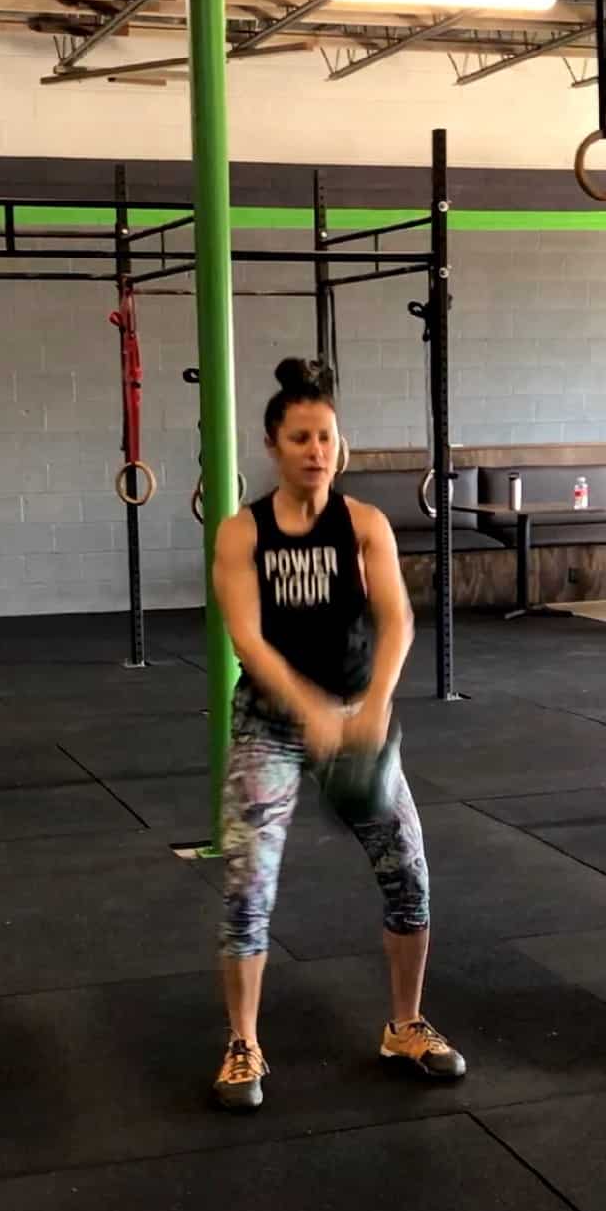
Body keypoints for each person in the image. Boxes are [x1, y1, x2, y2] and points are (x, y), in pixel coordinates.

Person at [210, 357, 466, 1110]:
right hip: (269, 724)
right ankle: (242, 1043)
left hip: (360, 723)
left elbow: (398, 618)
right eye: (300, 437)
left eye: (326, 436)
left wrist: (374, 703)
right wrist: (309, 708)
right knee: (246, 887)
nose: (316, 449)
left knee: (409, 875)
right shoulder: (241, 532)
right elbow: (248, 641)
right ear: (273, 445)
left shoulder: (364, 525)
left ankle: (405, 1023)